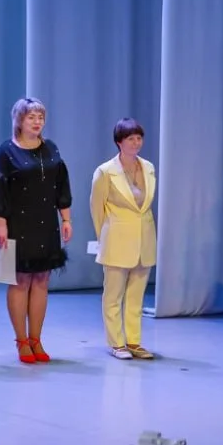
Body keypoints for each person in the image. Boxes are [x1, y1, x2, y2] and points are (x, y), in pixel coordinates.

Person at [0, 98, 73, 364]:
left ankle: (36, 339)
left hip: (45, 222)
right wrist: (1, 225)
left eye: (40, 117)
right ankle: (21, 340)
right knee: (20, 281)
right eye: (31, 117)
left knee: (41, 280)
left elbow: (61, 184)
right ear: (19, 120)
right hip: (17, 223)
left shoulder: (51, 148)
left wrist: (66, 219)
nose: (37, 122)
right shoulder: (7, 151)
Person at [89, 119, 156, 360]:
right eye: (130, 139)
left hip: (144, 239)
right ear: (119, 142)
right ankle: (117, 343)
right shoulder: (105, 171)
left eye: (139, 138)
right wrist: (104, 237)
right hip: (117, 239)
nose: (136, 143)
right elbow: (96, 209)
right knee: (113, 295)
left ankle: (134, 341)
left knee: (136, 295)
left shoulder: (148, 167)